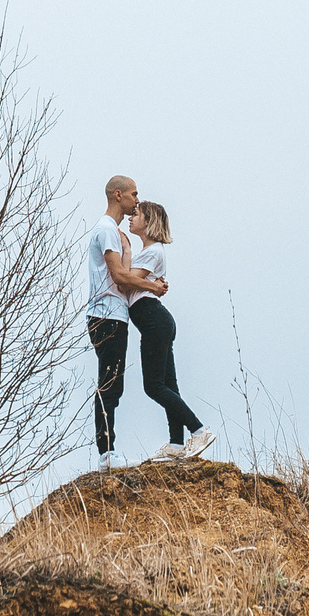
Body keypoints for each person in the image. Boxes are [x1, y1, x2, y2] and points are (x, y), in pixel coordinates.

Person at [85, 176, 167, 468]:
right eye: (134, 194)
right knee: (109, 384)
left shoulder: (113, 232)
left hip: (111, 315)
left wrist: (129, 253)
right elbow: (119, 278)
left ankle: (108, 452)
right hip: (107, 315)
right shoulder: (107, 230)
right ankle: (107, 454)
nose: (137, 200)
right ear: (118, 195)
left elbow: (120, 272)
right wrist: (153, 287)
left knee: (112, 383)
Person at [125, 200, 214, 461]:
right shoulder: (149, 252)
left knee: (153, 386)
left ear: (149, 221)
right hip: (156, 321)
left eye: (136, 214)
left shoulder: (153, 252)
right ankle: (176, 444)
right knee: (168, 385)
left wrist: (123, 251)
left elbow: (126, 281)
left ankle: (198, 430)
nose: (131, 218)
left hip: (154, 320)